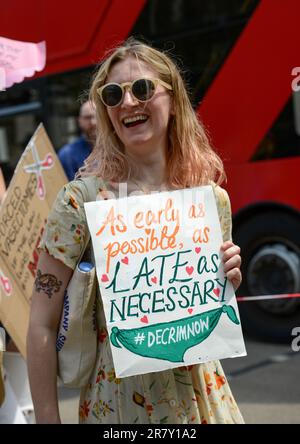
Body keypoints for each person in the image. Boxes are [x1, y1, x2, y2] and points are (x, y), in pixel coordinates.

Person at [27, 37, 244, 424]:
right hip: (119, 408)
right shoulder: (81, 203)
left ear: (174, 101)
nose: (127, 102)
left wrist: (227, 279)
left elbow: (202, 312)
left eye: (142, 89)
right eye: (113, 94)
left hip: (202, 405)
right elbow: (41, 322)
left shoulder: (210, 202)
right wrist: (46, 416)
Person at [57, 100, 97, 180]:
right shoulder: (67, 155)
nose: (93, 122)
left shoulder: (118, 148)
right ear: (79, 121)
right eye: (87, 118)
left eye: (97, 116)